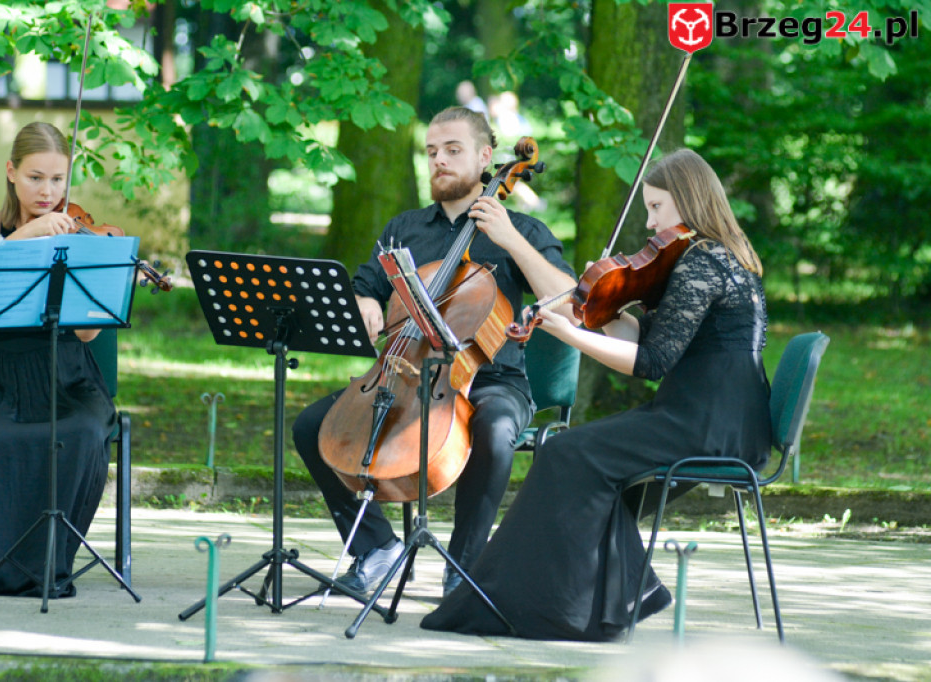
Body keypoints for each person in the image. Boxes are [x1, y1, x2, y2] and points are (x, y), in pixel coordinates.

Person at [421, 148, 772, 640]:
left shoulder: (703, 263)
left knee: (567, 453)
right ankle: (594, 606)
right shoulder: (716, 256)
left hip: (708, 423)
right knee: (576, 458)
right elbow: (649, 338)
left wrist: (569, 334)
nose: (651, 223)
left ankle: (565, 609)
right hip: (717, 416)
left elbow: (651, 363)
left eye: (657, 207)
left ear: (688, 200)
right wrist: (599, 309)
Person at [292, 106, 577, 597]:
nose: (438, 160)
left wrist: (510, 239)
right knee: (313, 425)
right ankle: (375, 550)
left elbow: (569, 302)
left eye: (452, 150)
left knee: (495, 430)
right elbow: (364, 286)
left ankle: (463, 570)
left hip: (492, 380)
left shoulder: (523, 230)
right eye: (431, 152)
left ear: (485, 157)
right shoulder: (404, 228)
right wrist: (366, 302)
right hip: (405, 371)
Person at [0, 121, 116, 597]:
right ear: (11, 172)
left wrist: (97, 278)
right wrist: (28, 235)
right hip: (2, 372)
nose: (48, 191)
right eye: (36, 177)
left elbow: (86, 333)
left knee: (83, 431)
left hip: (69, 373)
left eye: (58, 179)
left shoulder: (80, 230)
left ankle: (48, 564)